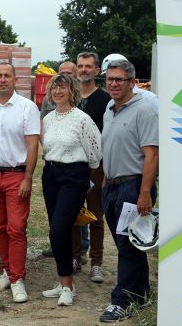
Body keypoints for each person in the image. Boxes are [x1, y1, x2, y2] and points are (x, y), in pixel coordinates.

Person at [98, 59, 158, 323]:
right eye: (110, 79)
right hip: (111, 186)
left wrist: (144, 193)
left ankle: (121, 301)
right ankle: (141, 294)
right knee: (128, 245)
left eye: (119, 79)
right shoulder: (110, 109)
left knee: (126, 246)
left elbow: (152, 155)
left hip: (133, 186)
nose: (113, 84)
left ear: (132, 82)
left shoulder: (144, 110)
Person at [0, 62, 40, 303]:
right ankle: (6, 271)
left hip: (16, 176)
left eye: (7, 76)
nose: (2, 80)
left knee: (16, 228)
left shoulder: (27, 108)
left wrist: (27, 178)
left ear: (15, 80)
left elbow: (33, 144)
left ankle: (17, 278)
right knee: (0, 227)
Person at [39, 73, 102, 306]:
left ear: (71, 90)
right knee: (57, 232)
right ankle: (65, 283)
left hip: (74, 177)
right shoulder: (47, 120)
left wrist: (87, 182)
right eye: (54, 88)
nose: (58, 92)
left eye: (62, 88)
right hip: (51, 175)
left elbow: (95, 155)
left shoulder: (82, 119)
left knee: (58, 229)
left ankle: (68, 287)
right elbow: (45, 149)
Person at [71, 51, 112, 282]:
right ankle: (76, 257)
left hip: (97, 168)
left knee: (96, 216)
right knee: (74, 215)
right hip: (73, 167)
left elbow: (109, 136)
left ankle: (96, 262)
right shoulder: (72, 98)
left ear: (97, 71)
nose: (84, 69)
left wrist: (106, 169)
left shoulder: (105, 101)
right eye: (80, 66)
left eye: (88, 66)